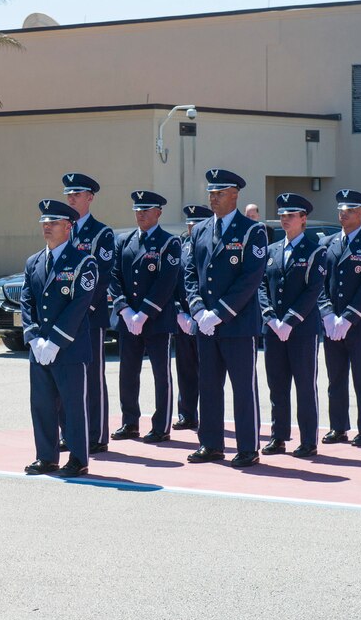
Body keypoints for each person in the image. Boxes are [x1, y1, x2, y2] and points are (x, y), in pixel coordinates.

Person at [184, 169, 269, 467]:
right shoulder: (202, 229)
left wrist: (218, 313)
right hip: (206, 325)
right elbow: (190, 272)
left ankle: (247, 447)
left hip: (236, 324)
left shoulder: (251, 231)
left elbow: (250, 278)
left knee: (242, 387)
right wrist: (197, 309)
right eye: (211, 193)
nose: (213, 198)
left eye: (219, 193)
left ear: (234, 195)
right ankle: (211, 444)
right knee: (207, 386)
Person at [21, 199, 99, 478]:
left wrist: (54, 340)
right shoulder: (34, 262)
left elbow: (79, 305)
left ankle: (78, 458)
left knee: (73, 406)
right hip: (40, 349)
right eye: (44, 222)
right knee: (41, 404)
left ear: (68, 226)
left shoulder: (83, 261)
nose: (47, 226)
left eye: (53, 222)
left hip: (68, 348)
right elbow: (27, 300)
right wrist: (33, 338)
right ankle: (46, 457)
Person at [108, 190, 180, 444]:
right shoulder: (124, 241)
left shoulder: (169, 243)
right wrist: (125, 310)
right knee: (128, 372)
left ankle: (161, 426)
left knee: (161, 373)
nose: (141, 214)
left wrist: (144, 313)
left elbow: (166, 282)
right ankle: (129, 422)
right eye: (138, 210)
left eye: (146, 210)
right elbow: (113, 276)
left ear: (159, 212)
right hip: (128, 320)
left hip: (157, 319)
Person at [258, 193, 326, 458]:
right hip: (274, 329)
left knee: (305, 385)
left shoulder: (315, 250)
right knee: (277, 384)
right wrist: (271, 317)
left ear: (303, 219)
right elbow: (262, 286)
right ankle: (279, 436)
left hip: (301, 330)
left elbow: (313, 290)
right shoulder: (272, 250)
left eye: (291, 215)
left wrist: (290, 320)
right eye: (282, 215)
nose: (285, 219)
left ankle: (308, 439)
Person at [318, 189, 361, 447]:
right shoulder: (328, 244)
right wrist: (327, 314)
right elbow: (320, 284)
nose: (342, 213)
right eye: (341, 210)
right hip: (332, 325)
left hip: (359, 326)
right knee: (336, 379)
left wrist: (347, 318)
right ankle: (338, 428)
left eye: (349, 210)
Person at [61, 172, 116, 454]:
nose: (71, 198)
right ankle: (68, 433)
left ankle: (96, 435)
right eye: (68, 194)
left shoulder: (101, 233)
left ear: (90, 198)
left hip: (89, 317)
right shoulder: (61, 227)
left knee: (92, 377)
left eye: (77, 194)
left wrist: (81, 311)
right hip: (62, 320)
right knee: (63, 378)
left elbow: (102, 276)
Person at [173, 204, 212, 431]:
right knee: (185, 369)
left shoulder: (207, 245)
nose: (191, 228)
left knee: (207, 372)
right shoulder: (181, 246)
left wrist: (200, 315)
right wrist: (180, 312)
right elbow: (173, 282)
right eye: (189, 224)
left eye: (195, 224)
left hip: (205, 317)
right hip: (183, 318)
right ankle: (186, 413)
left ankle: (208, 415)